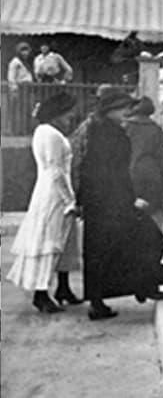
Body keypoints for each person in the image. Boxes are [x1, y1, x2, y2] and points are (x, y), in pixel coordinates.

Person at [70, 86, 163, 321]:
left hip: (101, 202)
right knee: (143, 239)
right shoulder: (108, 132)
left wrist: (82, 200)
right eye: (123, 107)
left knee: (104, 251)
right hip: (112, 201)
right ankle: (140, 285)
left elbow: (88, 168)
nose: (126, 111)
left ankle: (130, 288)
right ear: (111, 109)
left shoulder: (100, 129)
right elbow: (113, 172)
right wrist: (129, 199)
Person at [7, 92, 82, 313]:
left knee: (65, 241)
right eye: (68, 113)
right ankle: (41, 294)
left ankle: (63, 288)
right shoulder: (51, 135)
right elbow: (55, 170)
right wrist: (69, 200)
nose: (70, 118)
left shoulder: (44, 132)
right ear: (58, 113)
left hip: (51, 190)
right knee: (50, 241)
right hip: (54, 195)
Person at [123, 96, 163, 227]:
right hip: (153, 180)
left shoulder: (124, 128)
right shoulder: (157, 131)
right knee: (153, 221)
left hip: (128, 178)